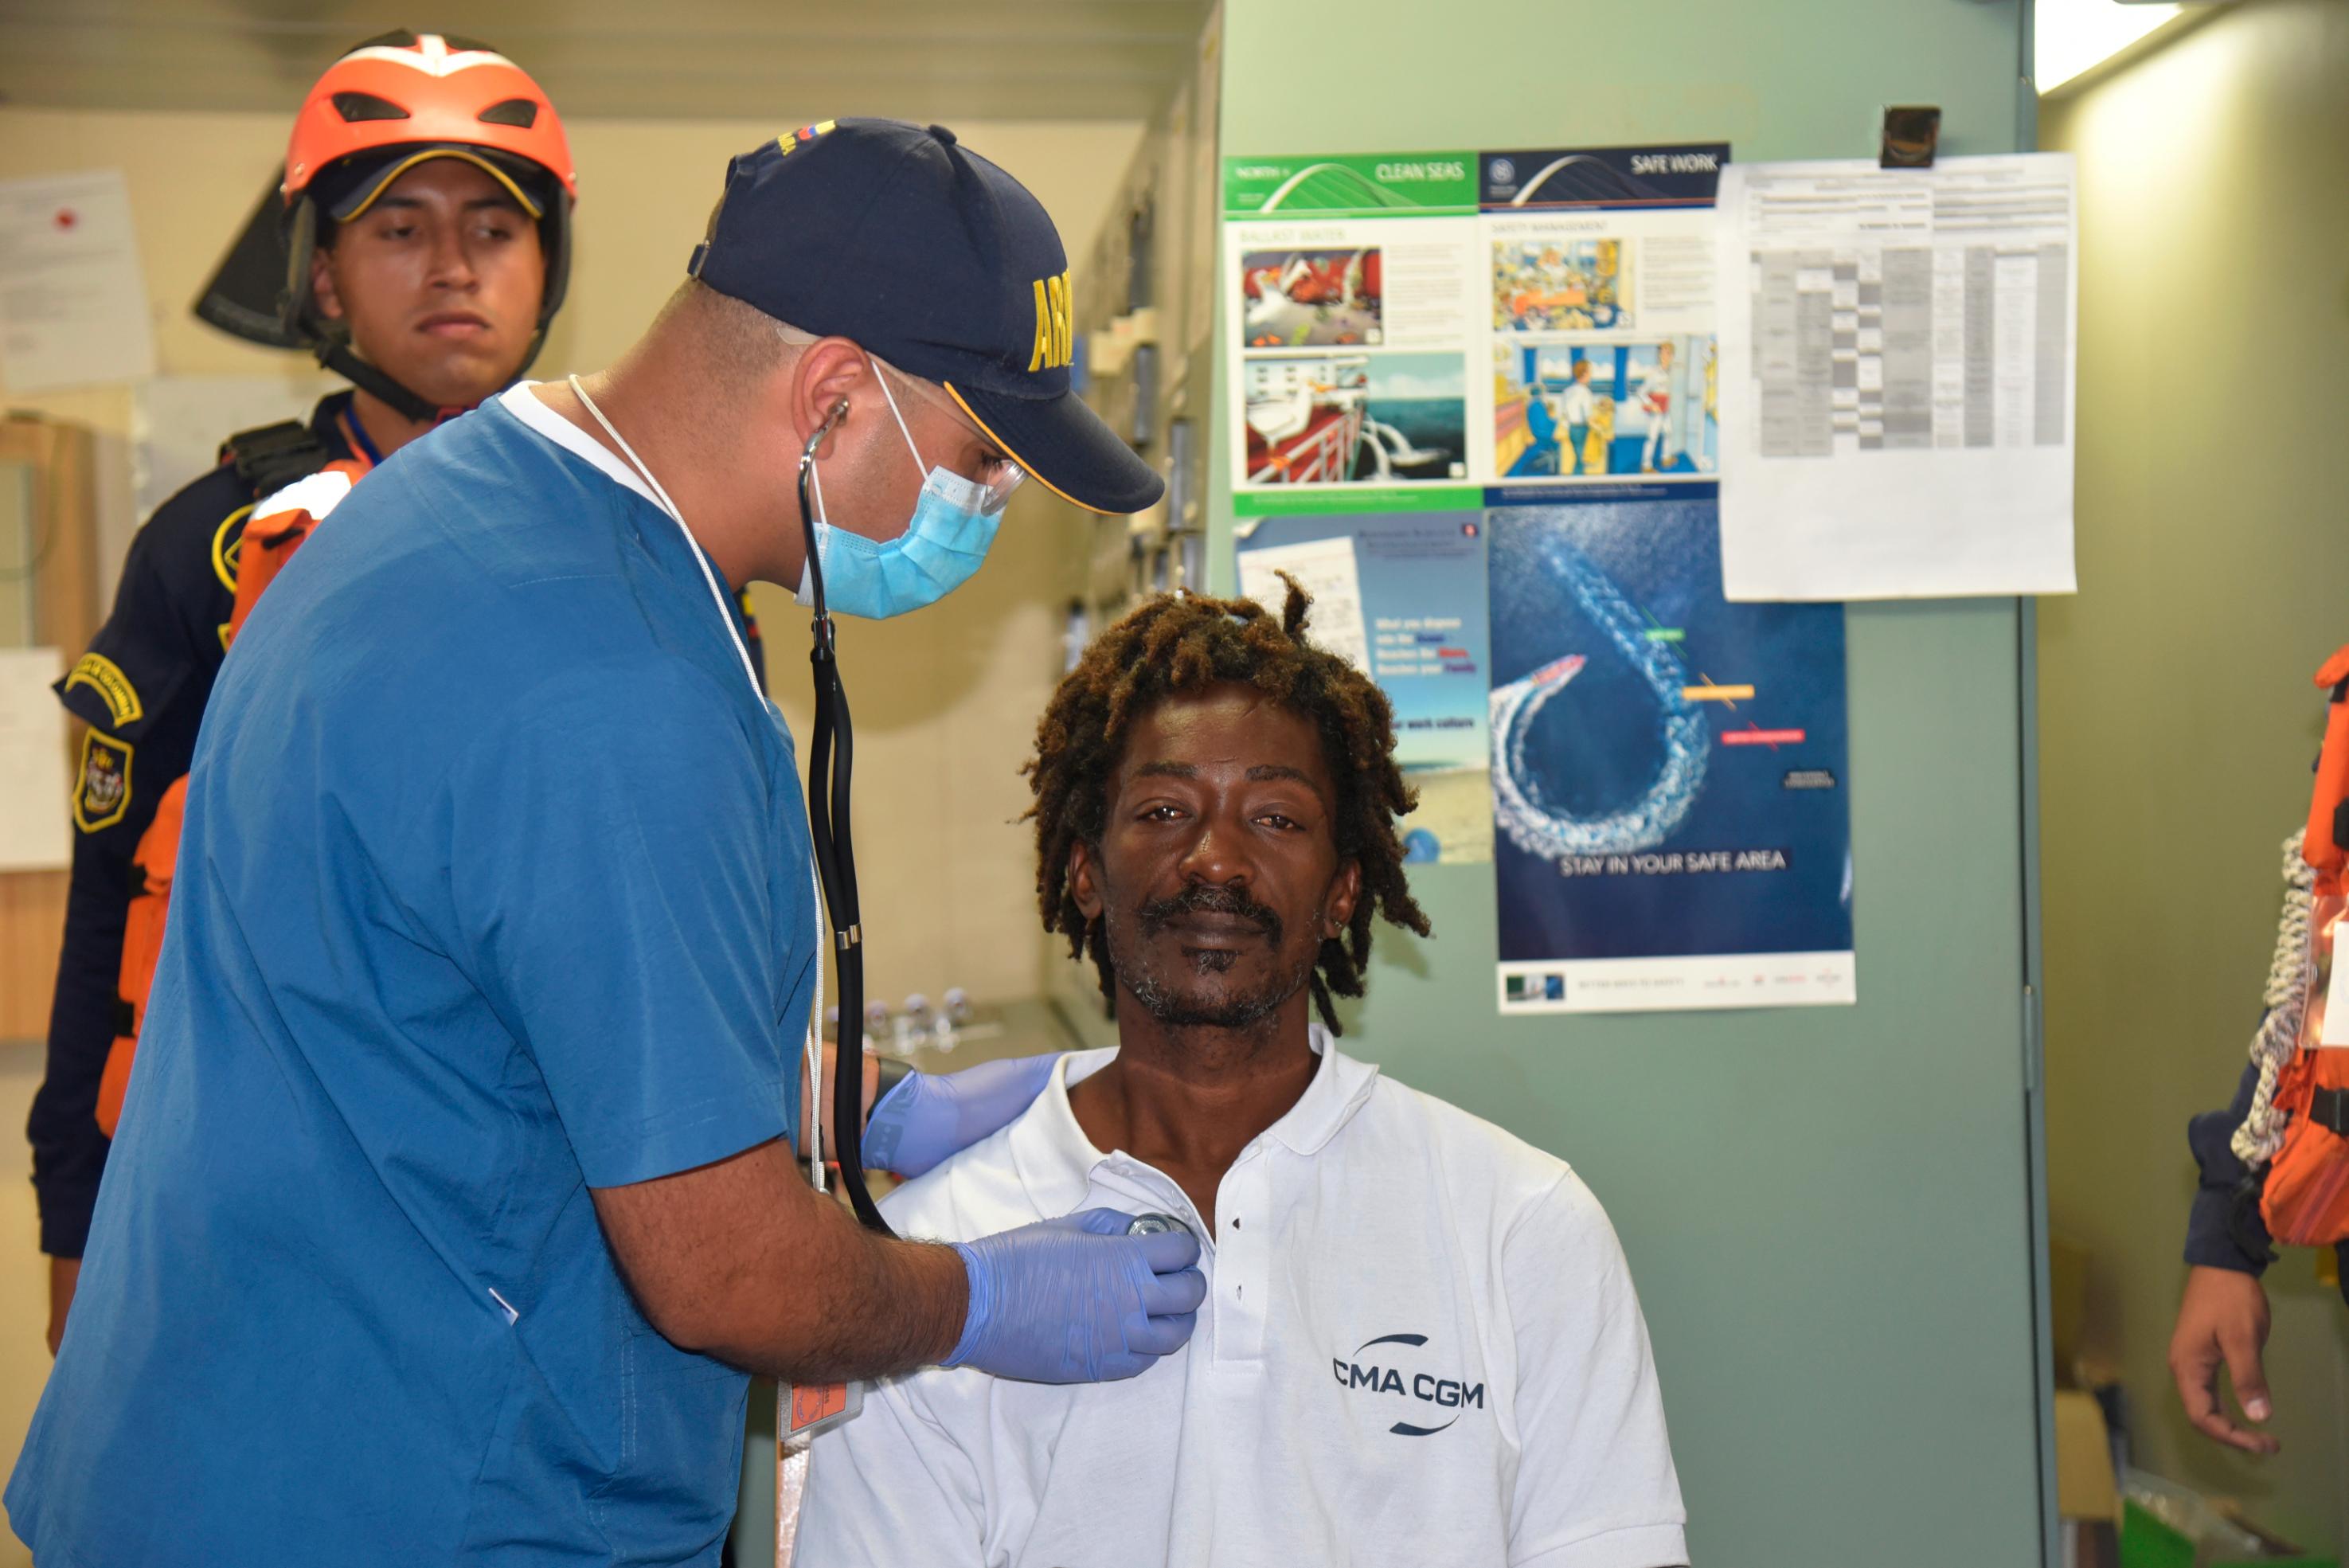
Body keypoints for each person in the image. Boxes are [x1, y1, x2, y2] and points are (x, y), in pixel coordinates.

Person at [7, 118, 1204, 1564]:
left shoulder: (456, 503)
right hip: (408, 1505)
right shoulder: (616, 687)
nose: (989, 506)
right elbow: (729, 1272)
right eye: (981, 460)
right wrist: (982, 1300)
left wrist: (866, 1106)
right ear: (833, 399)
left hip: (219, 1459)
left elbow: (488, 998)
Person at [795, 580, 1689, 1568]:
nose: (1214, 859)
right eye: (1165, 808)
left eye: (1275, 817)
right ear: (1085, 871)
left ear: (1343, 889)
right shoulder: (934, 1264)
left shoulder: (1520, 1227)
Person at [27, 29, 587, 1355]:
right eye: (399, 227)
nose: (453, 265)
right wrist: (76, 1224)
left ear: (546, 266)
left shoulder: (634, 535)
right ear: (323, 276)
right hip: (258, 1210)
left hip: (554, 1210)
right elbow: (113, 911)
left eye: (493, 228)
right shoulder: (214, 546)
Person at [1639, 338, 1677, 473]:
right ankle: (1646, 466)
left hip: (1666, 407)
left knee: (1668, 432)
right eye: (1663, 352)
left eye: (1668, 353)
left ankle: (1665, 458)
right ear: (1659, 355)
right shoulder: (1654, 373)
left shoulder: (1671, 371)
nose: (1665, 356)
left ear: (1672, 356)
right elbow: (1641, 392)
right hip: (1656, 409)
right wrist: (1651, 404)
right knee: (1652, 437)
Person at [1561, 356, 1597, 476]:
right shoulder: (1585, 392)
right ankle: (1578, 479)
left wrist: (1566, 426)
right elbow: (1588, 416)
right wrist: (1598, 427)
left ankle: (1576, 476)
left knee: (1578, 456)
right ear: (1585, 373)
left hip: (1572, 428)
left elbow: (1564, 412)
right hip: (1582, 428)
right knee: (1581, 459)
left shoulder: (1568, 391)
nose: (1591, 375)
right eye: (1590, 372)